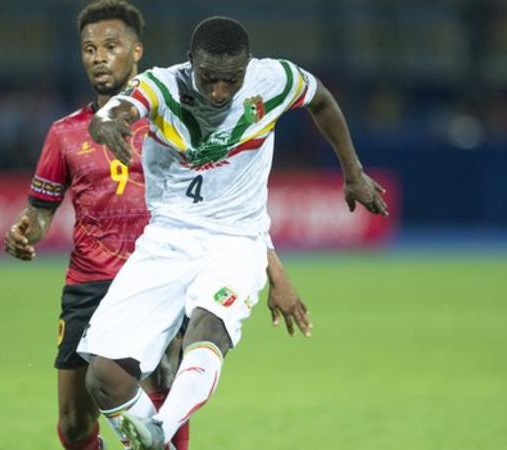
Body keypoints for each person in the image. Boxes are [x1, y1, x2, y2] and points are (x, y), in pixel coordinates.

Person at [77, 15, 389, 450]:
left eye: (232, 80)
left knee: (208, 330)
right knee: (104, 377)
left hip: (236, 242)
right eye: (209, 79)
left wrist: (352, 172)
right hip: (166, 240)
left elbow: (321, 100)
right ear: (191, 62)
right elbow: (116, 110)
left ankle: (159, 431)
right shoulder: (162, 86)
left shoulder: (274, 80)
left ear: (248, 66)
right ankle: (157, 441)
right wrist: (108, 122)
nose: (220, 92)